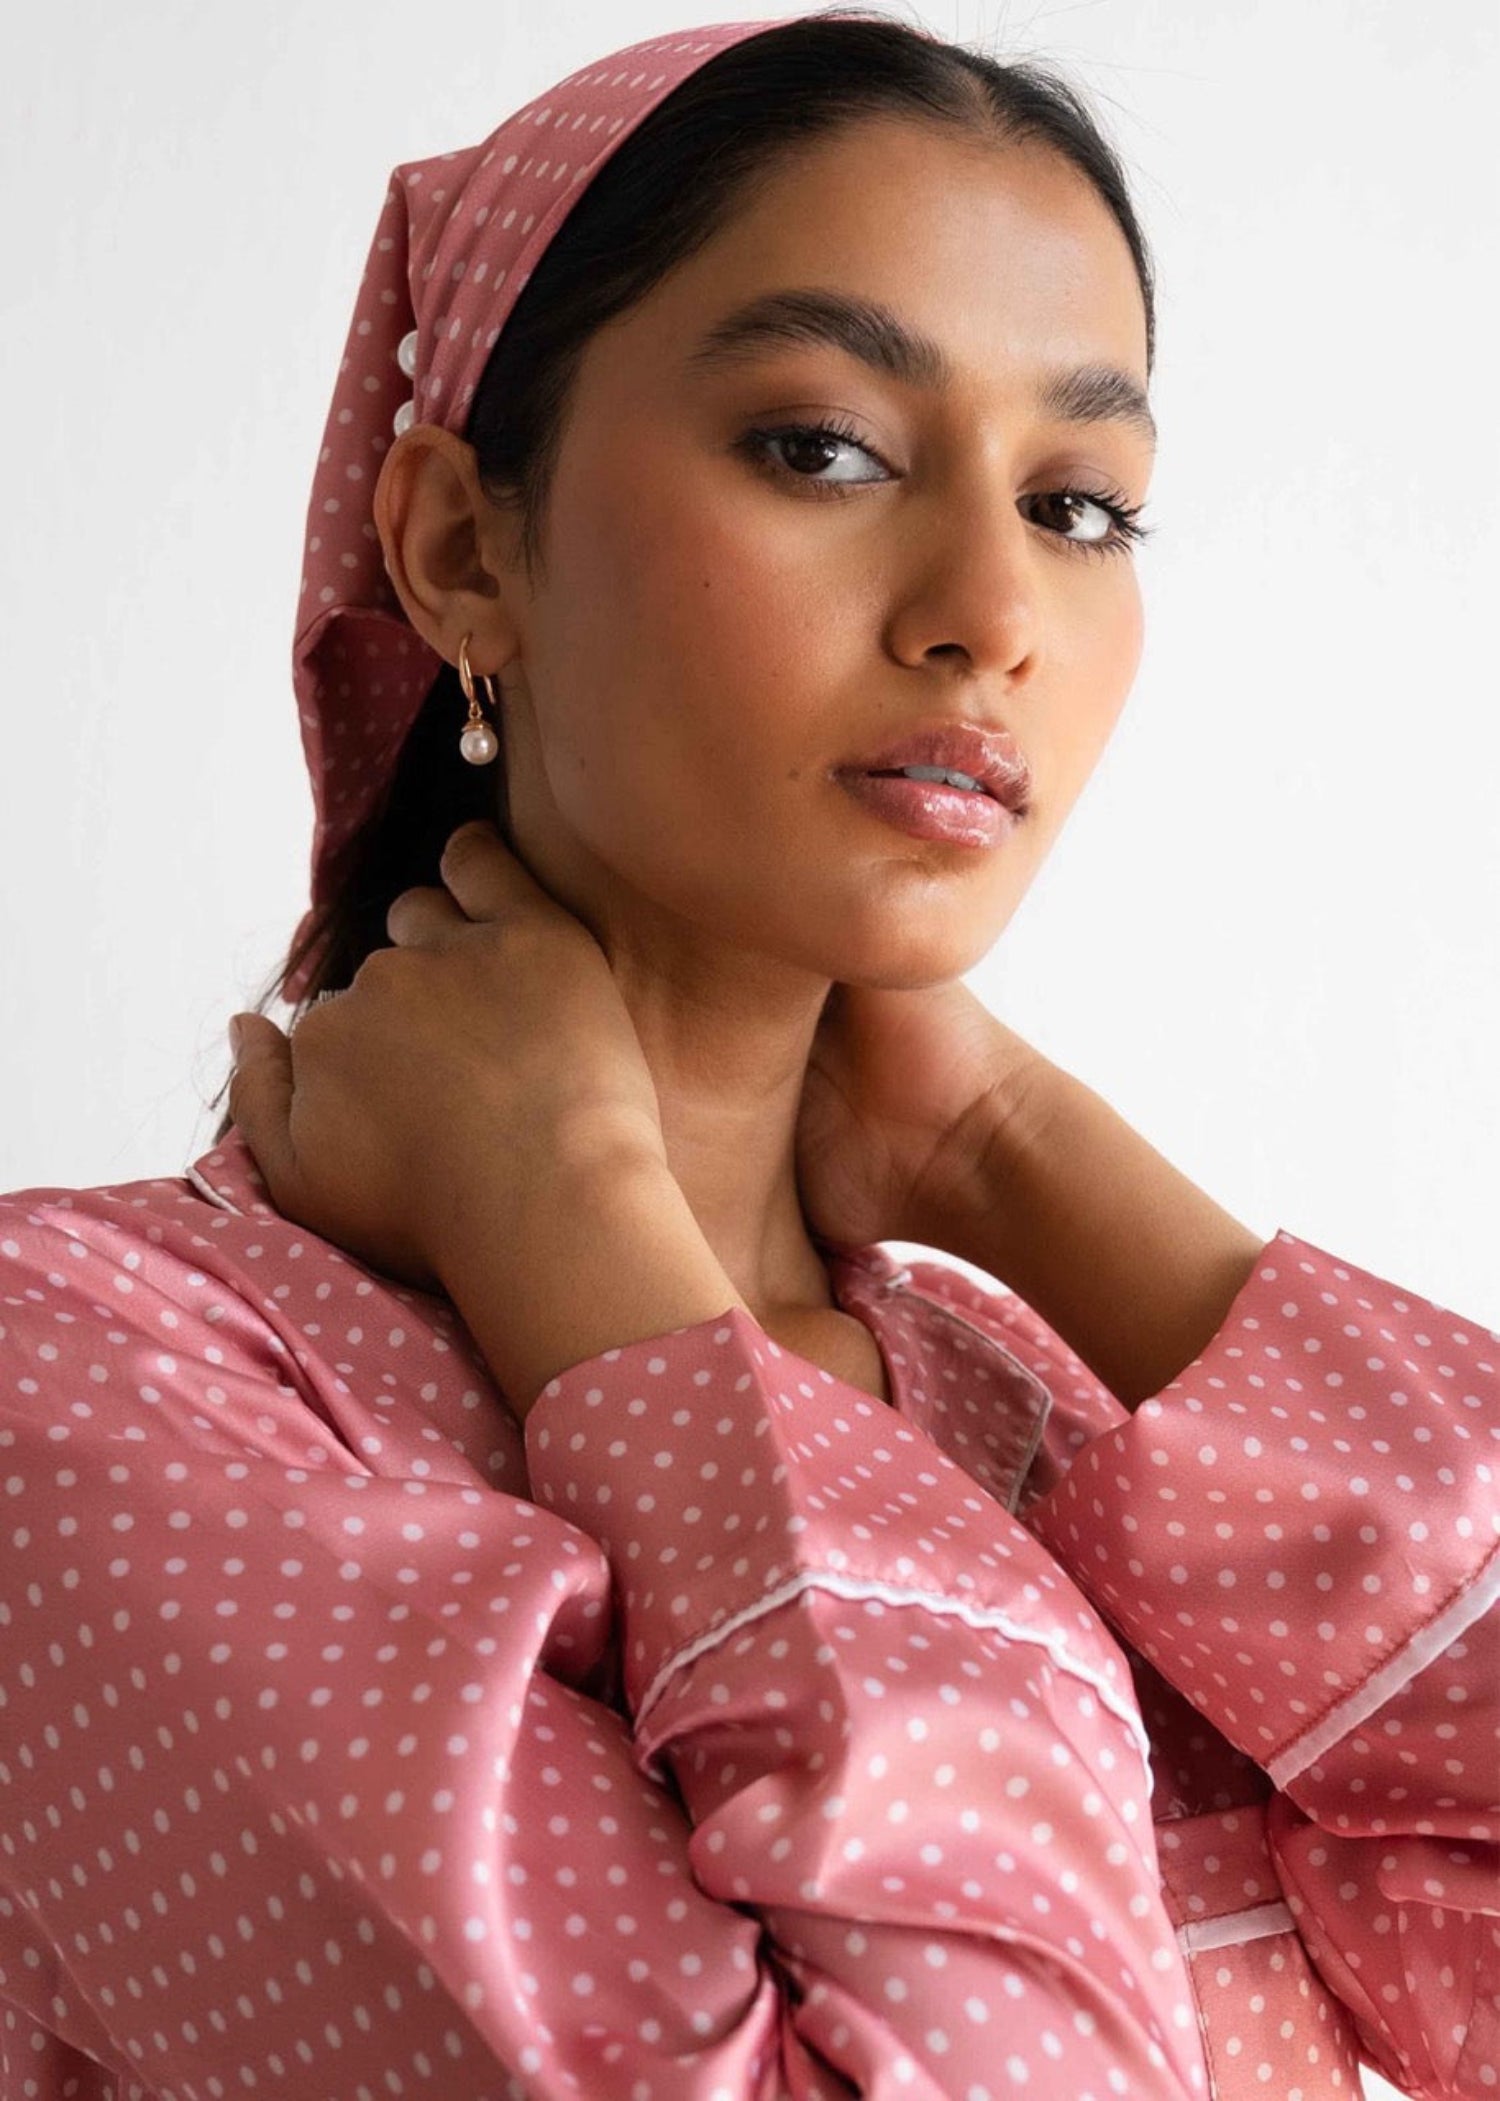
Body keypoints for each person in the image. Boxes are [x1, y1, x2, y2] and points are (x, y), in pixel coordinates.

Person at [0, 8, 1493, 2097]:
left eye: (1079, 503)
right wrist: (585, 1235)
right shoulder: (92, 1393)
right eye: (825, 449)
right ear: (461, 549)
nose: (991, 608)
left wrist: (1013, 1151)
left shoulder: (1027, 1409)